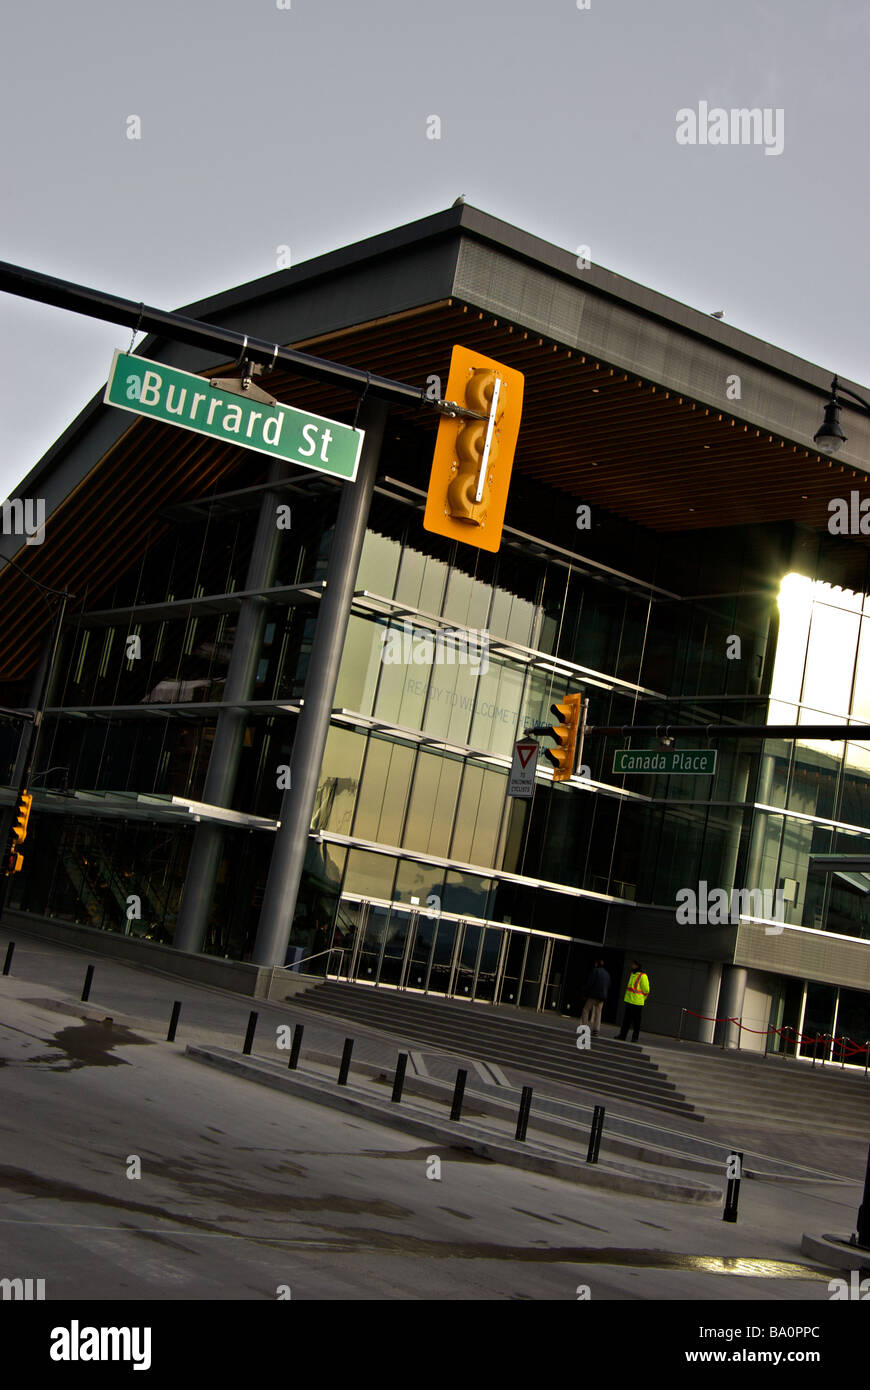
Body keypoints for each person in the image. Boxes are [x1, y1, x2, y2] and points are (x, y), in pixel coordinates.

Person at [616, 961, 650, 1042]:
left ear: (637, 966)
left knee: (636, 1022)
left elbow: (646, 990)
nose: (632, 966)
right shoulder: (633, 974)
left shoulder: (643, 976)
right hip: (629, 1001)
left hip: (637, 1003)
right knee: (626, 1021)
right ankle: (622, 1035)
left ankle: (635, 1038)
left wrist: (642, 999)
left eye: (634, 964)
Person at [579, 959, 610, 1035]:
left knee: (586, 1010)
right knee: (598, 1012)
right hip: (602, 997)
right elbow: (608, 985)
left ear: (597, 964)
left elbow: (590, 983)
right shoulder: (607, 974)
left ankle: (584, 1028)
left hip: (593, 995)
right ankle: (596, 1029)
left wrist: (585, 993)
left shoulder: (595, 971)